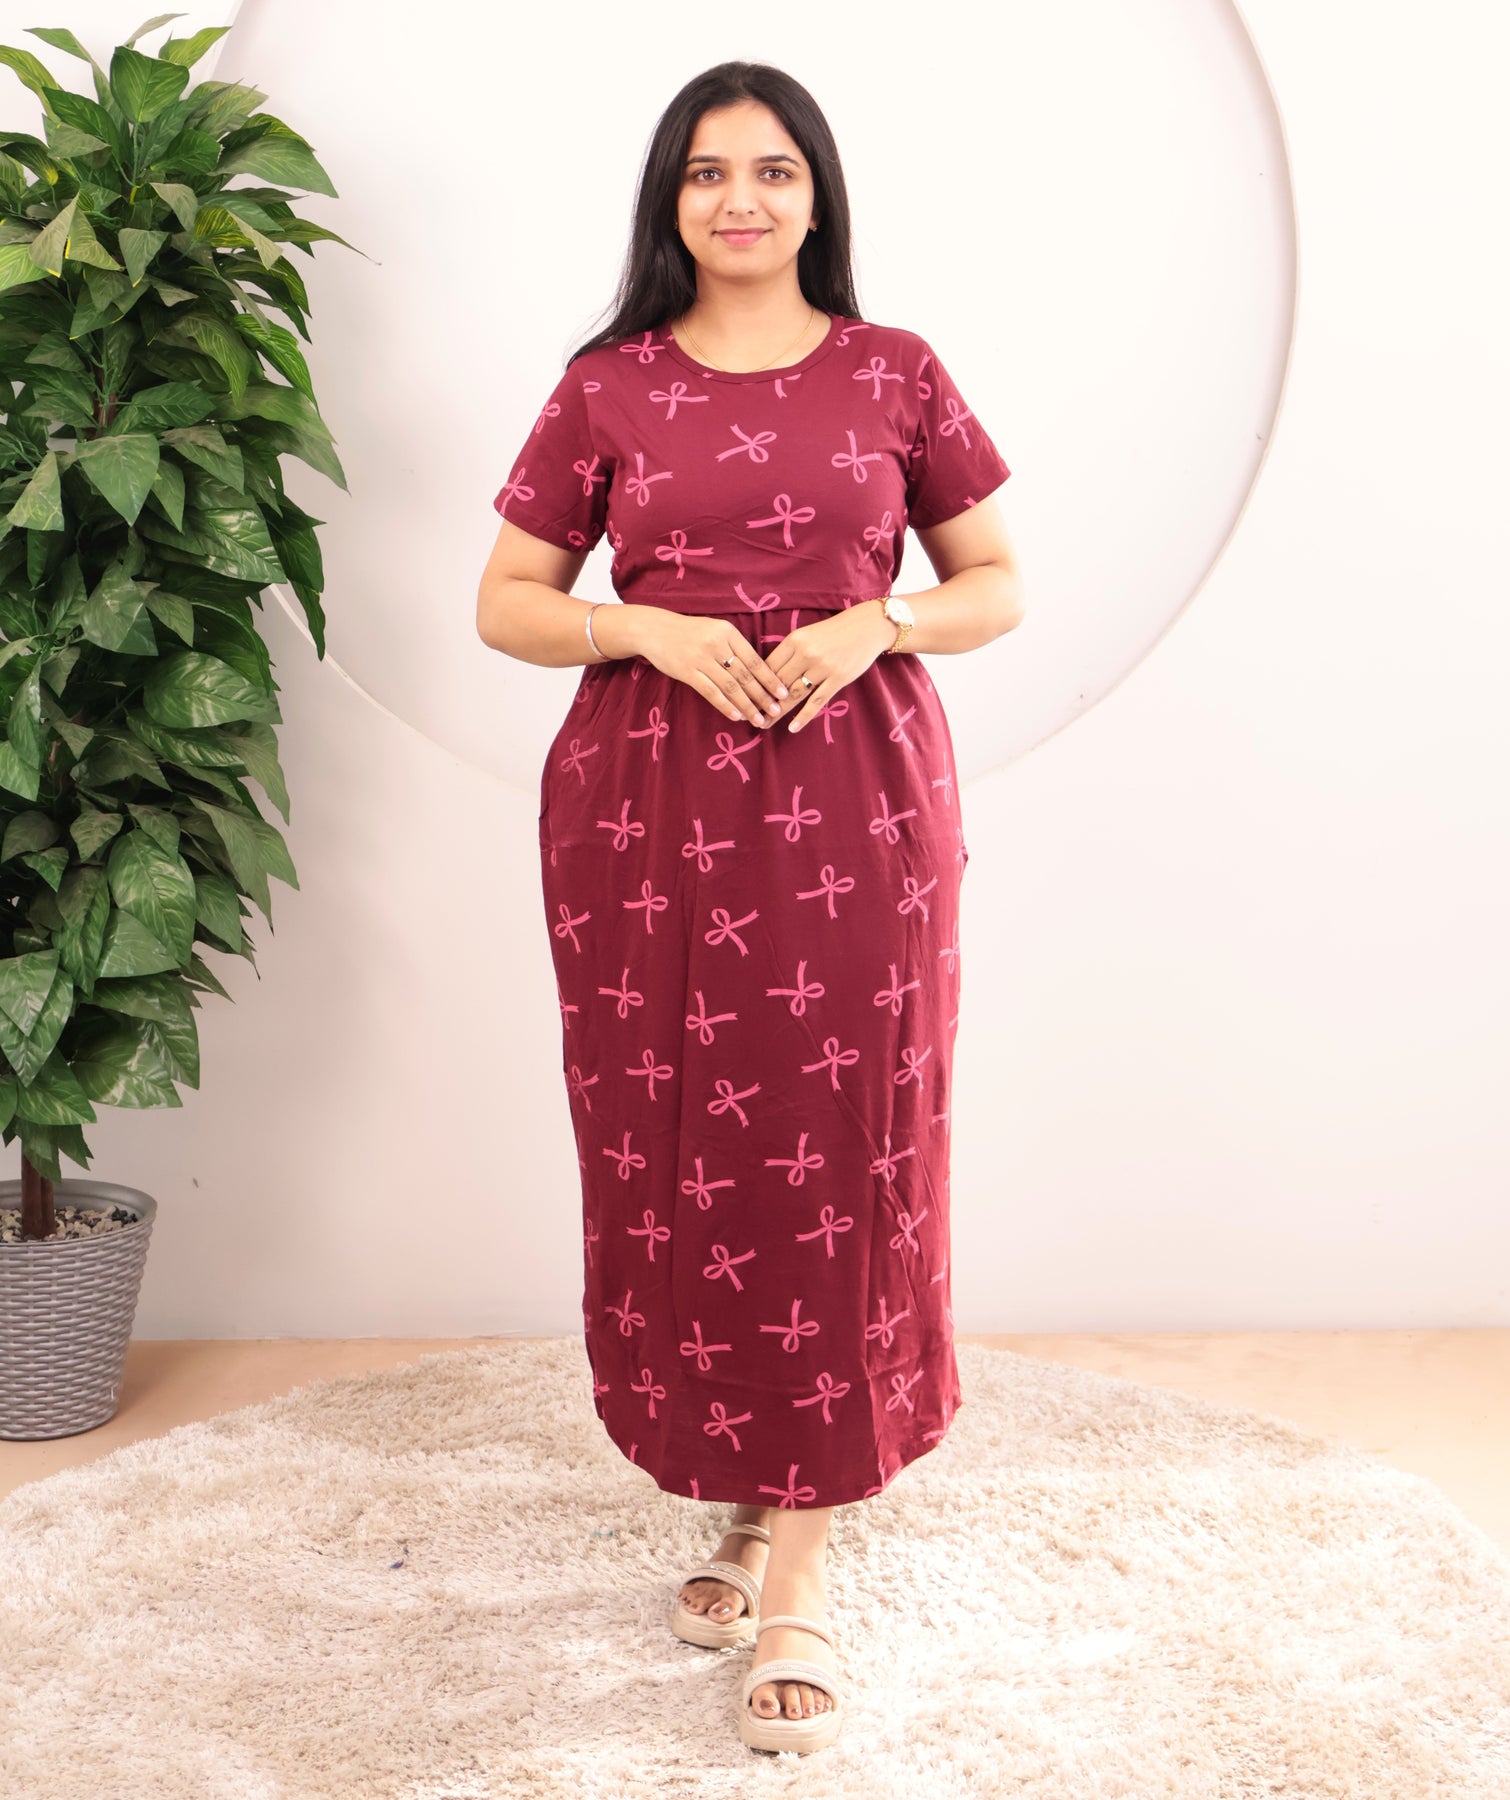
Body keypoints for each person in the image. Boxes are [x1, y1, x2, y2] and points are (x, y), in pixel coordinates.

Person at [476, 60, 1023, 1755]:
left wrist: (881, 621)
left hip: (856, 805)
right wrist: (643, 624)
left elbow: (997, 583)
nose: (739, 200)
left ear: (816, 197)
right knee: (676, 1145)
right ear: (669, 201)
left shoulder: (893, 370)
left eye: (773, 170)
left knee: (840, 1144)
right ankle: (736, 1479)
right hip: (647, 813)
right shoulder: (607, 387)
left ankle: (799, 1563)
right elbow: (505, 605)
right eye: (707, 172)